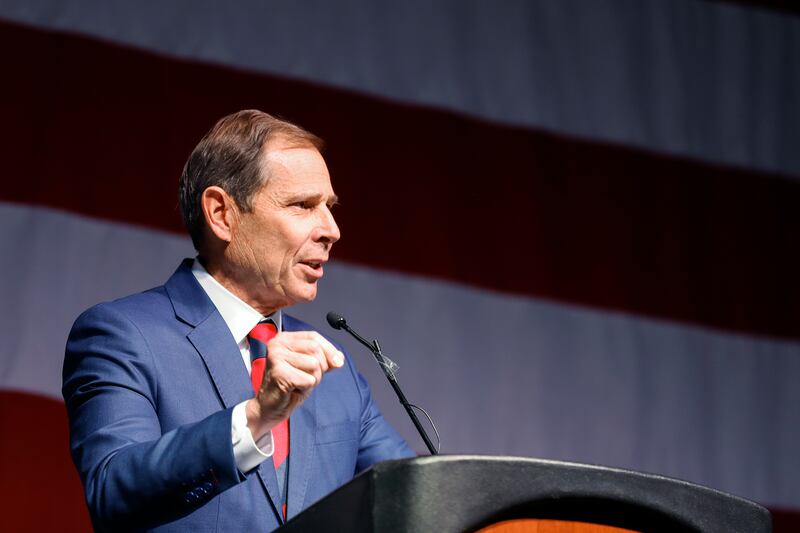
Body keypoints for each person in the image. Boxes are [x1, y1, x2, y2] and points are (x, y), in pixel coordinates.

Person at [62, 110, 414, 532]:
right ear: (221, 214)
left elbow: (415, 499)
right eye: (303, 205)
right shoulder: (122, 335)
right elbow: (113, 490)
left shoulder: (332, 367)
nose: (332, 229)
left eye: (329, 207)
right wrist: (256, 417)